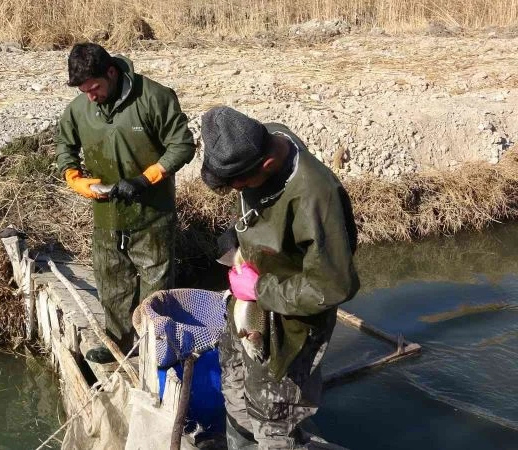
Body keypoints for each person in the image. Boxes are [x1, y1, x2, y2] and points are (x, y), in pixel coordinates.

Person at [200, 106, 359, 449]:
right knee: (236, 382)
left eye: (237, 184)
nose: (235, 191)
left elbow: (334, 285)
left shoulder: (316, 196)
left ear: (267, 165)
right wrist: (235, 236)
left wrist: (258, 288)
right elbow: (252, 203)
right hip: (249, 305)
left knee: (275, 416)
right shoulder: (260, 137)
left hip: (292, 322)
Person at [55, 43, 195, 363]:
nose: (91, 95)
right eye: (84, 90)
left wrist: (146, 178)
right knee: (110, 278)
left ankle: (155, 346)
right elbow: (64, 145)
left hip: (152, 212)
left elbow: (182, 146)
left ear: (112, 73)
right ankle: (117, 342)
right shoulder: (79, 109)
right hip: (107, 214)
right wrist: (72, 175)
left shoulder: (155, 98)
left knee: (156, 284)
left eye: (95, 88)